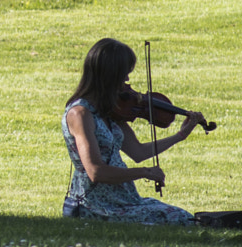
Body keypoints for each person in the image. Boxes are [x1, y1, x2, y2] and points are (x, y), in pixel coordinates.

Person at [62, 37, 208, 224]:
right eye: (124, 74)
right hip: (93, 206)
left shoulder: (109, 111)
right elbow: (96, 172)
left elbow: (138, 152)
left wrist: (180, 135)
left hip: (124, 201)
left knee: (185, 217)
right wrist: (145, 172)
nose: (127, 80)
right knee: (179, 220)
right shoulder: (80, 114)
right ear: (109, 75)